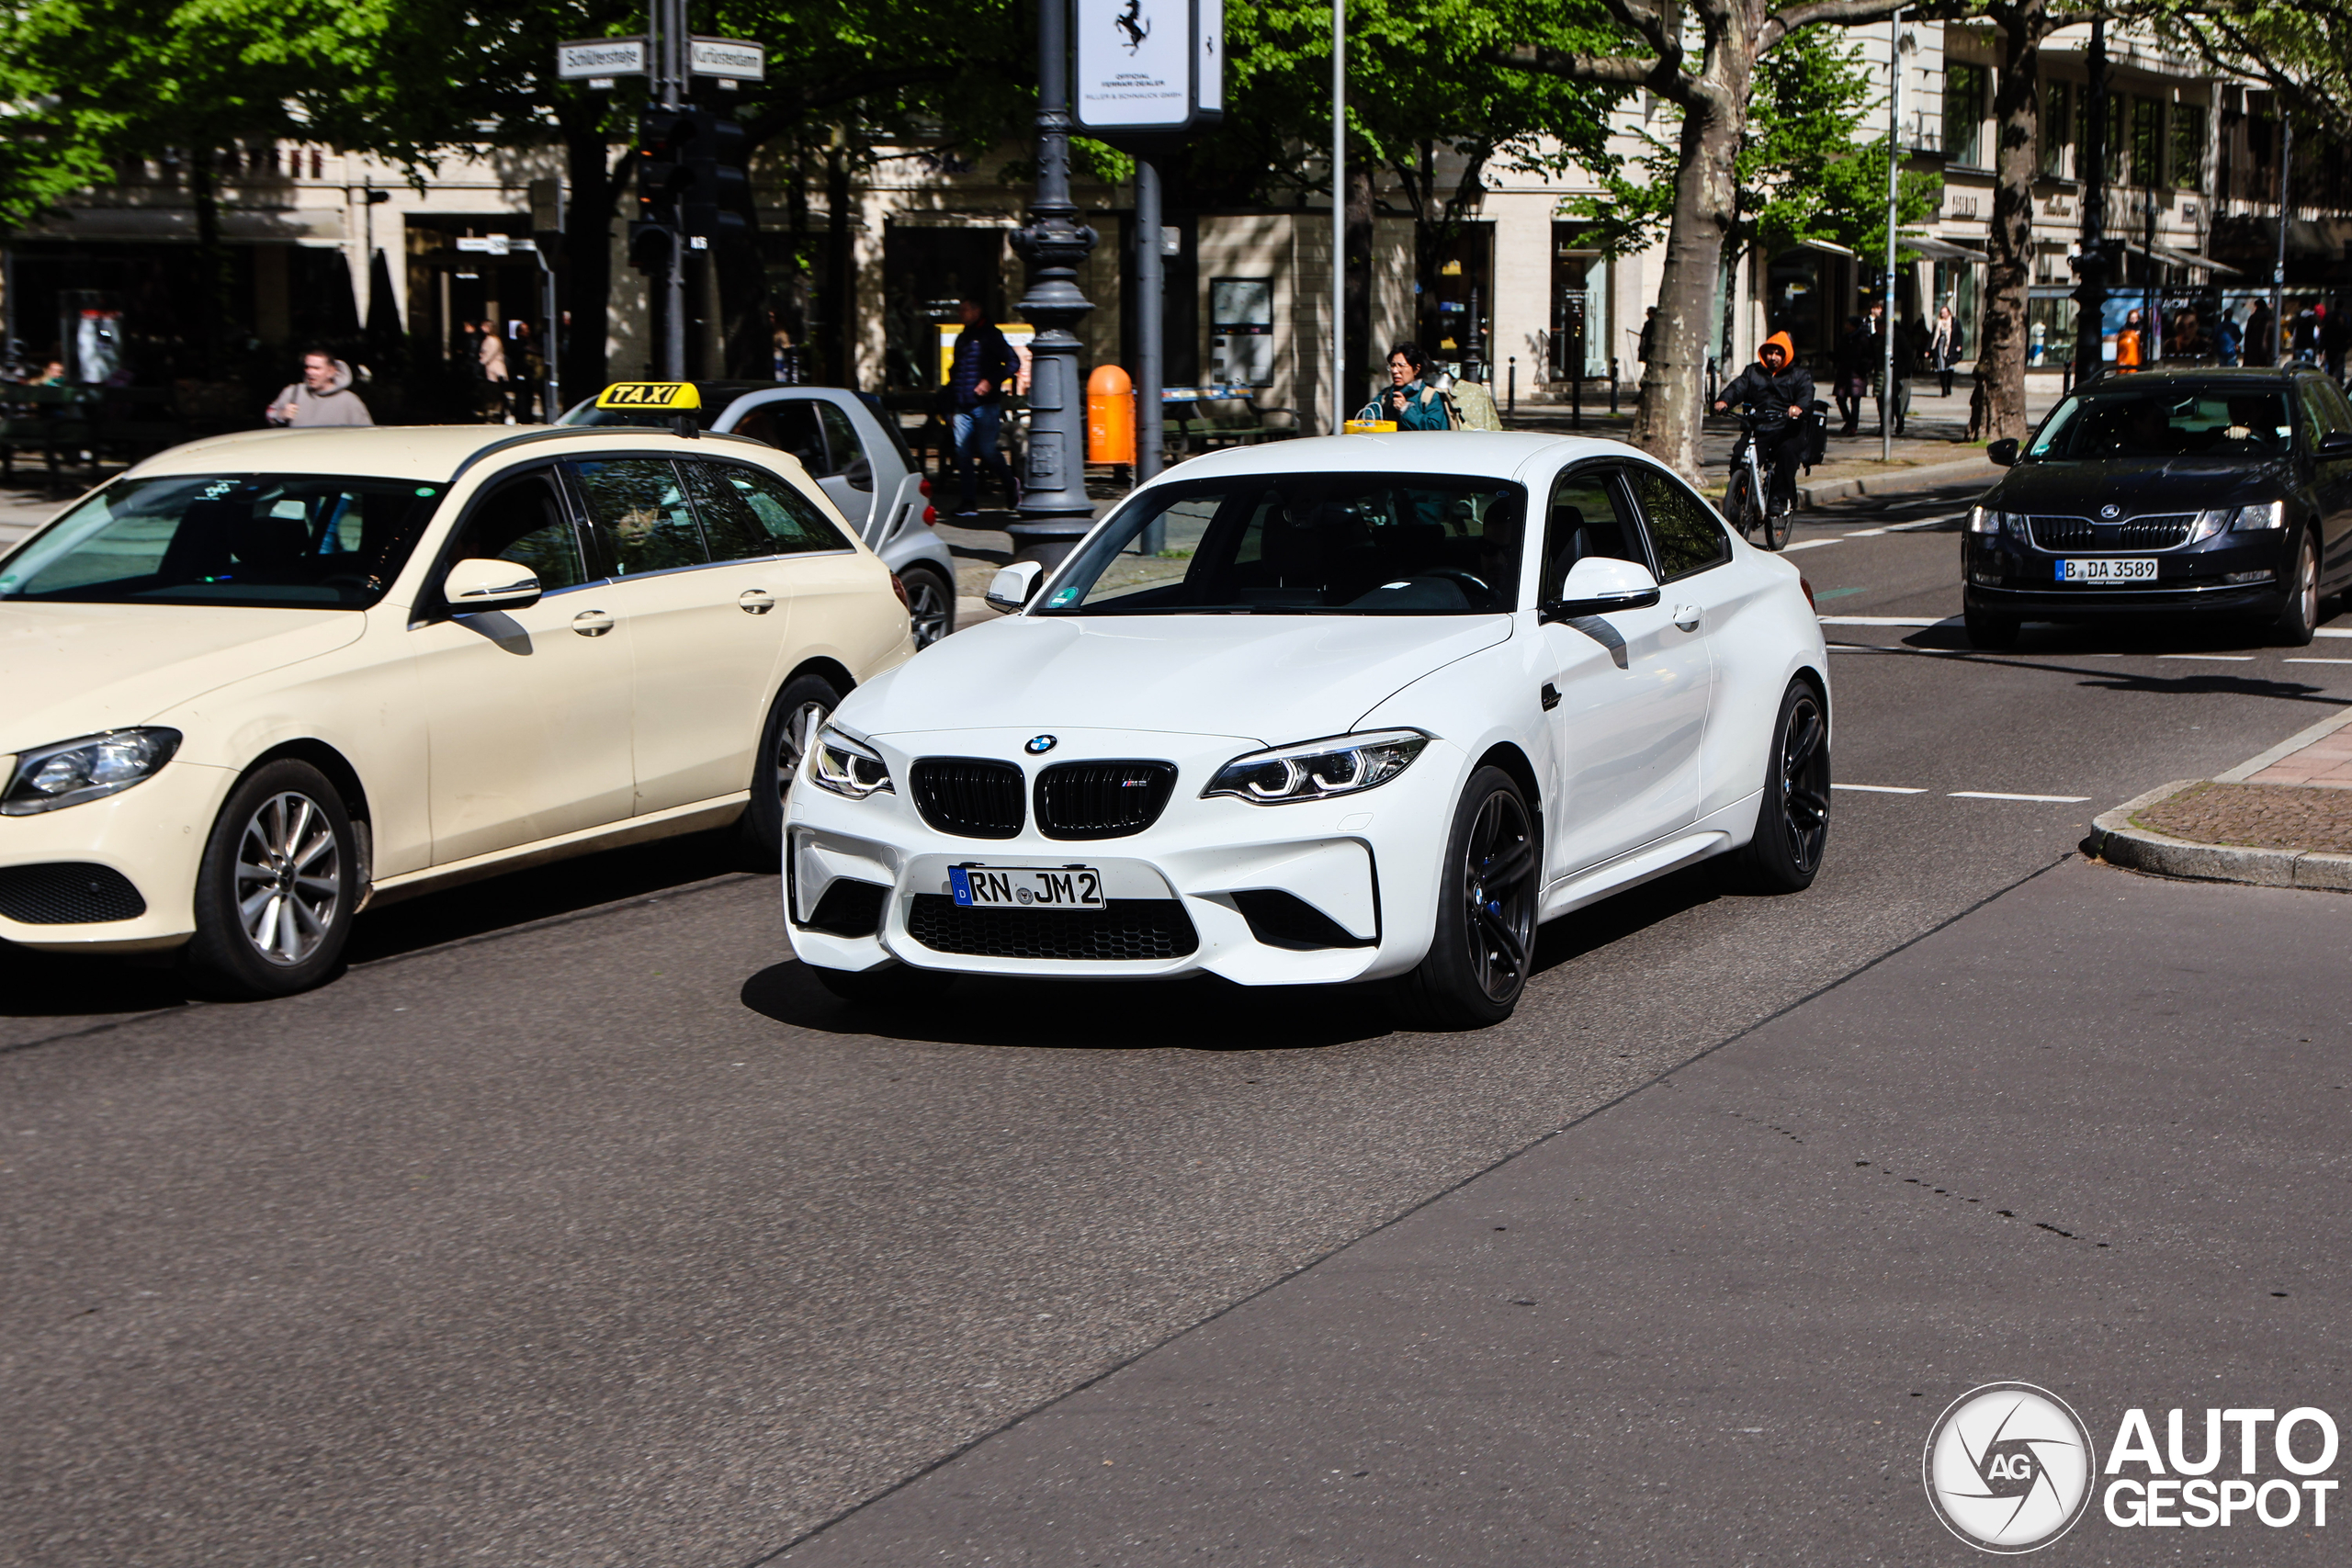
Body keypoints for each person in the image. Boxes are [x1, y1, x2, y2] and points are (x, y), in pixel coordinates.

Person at [1713, 331, 1813, 517]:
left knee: (1787, 455)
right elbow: (1738, 387)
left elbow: (1806, 396)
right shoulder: (1753, 371)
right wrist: (1724, 401)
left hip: (1787, 429)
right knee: (1739, 455)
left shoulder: (1800, 375)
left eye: (1778, 353)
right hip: (1758, 427)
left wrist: (1798, 408)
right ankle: (1742, 493)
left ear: (1787, 354)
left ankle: (1779, 499)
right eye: (1770, 352)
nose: (1773, 357)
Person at [945, 299, 1021, 517]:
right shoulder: (962, 338)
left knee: (988, 451)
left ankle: (1010, 484)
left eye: (964, 310)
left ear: (977, 311)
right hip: (962, 405)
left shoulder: (991, 335)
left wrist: (990, 381)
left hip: (985, 405)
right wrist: (951, 406)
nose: (960, 314)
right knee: (963, 453)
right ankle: (968, 502)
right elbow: (956, 373)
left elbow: (1013, 363)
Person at [1354, 342, 1452, 430]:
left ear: (1416, 369)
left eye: (1401, 366)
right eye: (1392, 365)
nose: (1395, 371)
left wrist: (1406, 409)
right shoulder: (1386, 396)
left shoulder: (1430, 397)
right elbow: (1369, 417)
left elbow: (1435, 430)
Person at [265, 349, 372, 427]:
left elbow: (366, 435)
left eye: (316, 368)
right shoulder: (293, 392)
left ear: (331, 372)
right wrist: (280, 415)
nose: (310, 372)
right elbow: (270, 414)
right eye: (307, 367)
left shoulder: (350, 401)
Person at [1833, 315, 1870, 434]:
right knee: (1840, 398)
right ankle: (1849, 420)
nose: (1846, 326)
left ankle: (1853, 426)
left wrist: (1864, 368)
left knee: (1855, 401)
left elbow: (1868, 356)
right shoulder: (1844, 339)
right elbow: (1839, 353)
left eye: (1849, 324)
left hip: (1856, 374)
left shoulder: (1863, 339)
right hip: (1844, 373)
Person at [1929, 304, 1961, 397]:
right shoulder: (1938, 323)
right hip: (1940, 346)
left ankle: (1949, 386)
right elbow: (1933, 336)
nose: (1943, 314)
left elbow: (1959, 334)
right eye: (1941, 313)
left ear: (1948, 312)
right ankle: (1943, 389)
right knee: (1942, 368)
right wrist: (1929, 349)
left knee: (1950, 368)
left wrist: (1959, 345)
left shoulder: (1954, 322)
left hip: (1950, 347)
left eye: (1944, 312)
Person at [2246, 299, 2276, 367]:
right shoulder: (2270, 318)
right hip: (2267, 348)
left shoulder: (2253, 318)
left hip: (2254, 348)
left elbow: (2248, 333)